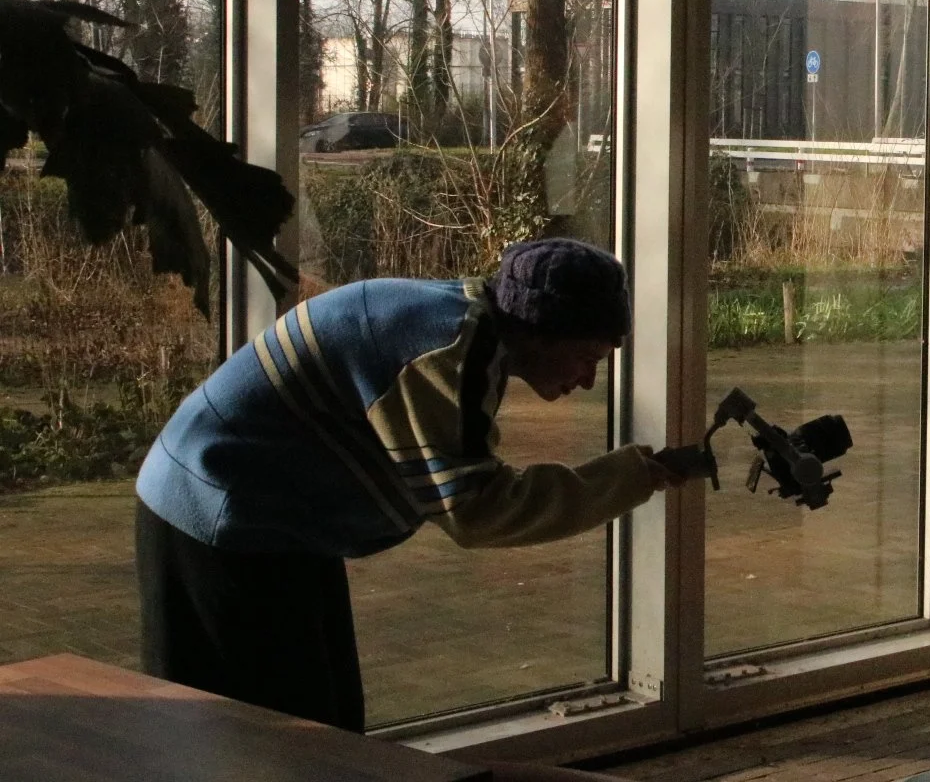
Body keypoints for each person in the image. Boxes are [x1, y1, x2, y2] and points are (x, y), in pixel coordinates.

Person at [133, 237, 711, 732]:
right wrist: (629, 477)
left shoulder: (464, 322)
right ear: (540, 332)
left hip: (268, 519)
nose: (588, 380)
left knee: (326, 730)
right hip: (215, 512)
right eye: (587, 356)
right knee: (266, 740)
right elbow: (477, 512)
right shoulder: (448, 352)